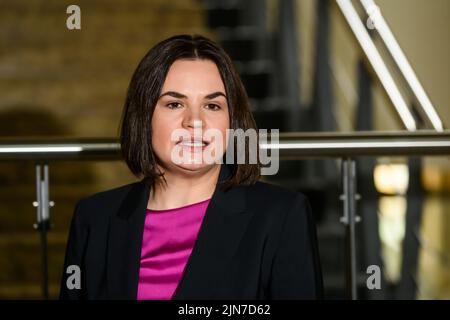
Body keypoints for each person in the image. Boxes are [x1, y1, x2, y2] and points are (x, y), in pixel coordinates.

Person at [60, 34, 323, 300]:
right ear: (144, 116)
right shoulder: (94, 217)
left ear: (232, 120)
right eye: (175, 104)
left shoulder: (282, 216)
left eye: (212, 105)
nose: (195, 121)